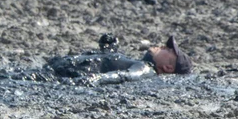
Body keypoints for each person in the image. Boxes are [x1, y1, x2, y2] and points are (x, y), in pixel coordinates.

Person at [46, 34, 193, 83]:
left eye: (167, 49)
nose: (162, 46)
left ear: (168, 68)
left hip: (58, 75)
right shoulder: (137, 62)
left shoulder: (146, 69)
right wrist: (109, 46)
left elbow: (125, 75)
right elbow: (111, 61)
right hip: (57, 72)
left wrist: (95, 79)